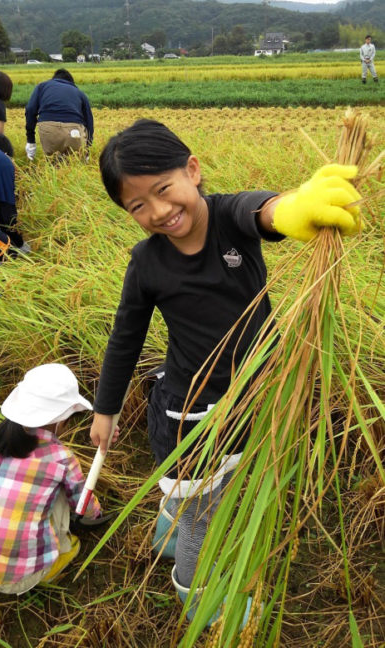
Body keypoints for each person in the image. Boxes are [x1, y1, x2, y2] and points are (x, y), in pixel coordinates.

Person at [89, 119, 362, 622]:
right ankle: (202, 603)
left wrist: (295, 207)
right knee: (202, 520)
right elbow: (124, 338)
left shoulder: (229, 219)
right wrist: (105, 409)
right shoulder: (146, 264)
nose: (160, 212)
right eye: (138, 206)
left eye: (164, 190)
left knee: (214, 492)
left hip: (251, 401)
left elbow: (262, 210)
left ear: (192, 170)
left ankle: (170, 526)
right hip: (185, 420)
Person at [0, 363, 102, 594]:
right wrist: (96, 514)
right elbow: (82, 503)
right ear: (60, 419)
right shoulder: (60, 458)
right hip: (24, 577)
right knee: (59, 496)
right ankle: (54, 562)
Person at [25, 69, 94, 160]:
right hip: (74, 131)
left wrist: (31, 141)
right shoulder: (79, 92)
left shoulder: (42, 87)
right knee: (75, 163)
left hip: (48, 130)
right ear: (70, 82)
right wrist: (87, 149)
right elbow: (89, 121)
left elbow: (30, 110)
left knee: (52, 163)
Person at [0, 141, 30, 253]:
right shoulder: (3, 161)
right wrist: (18, 243)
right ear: (8, 155)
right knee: (3, 250)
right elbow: (6, 208)